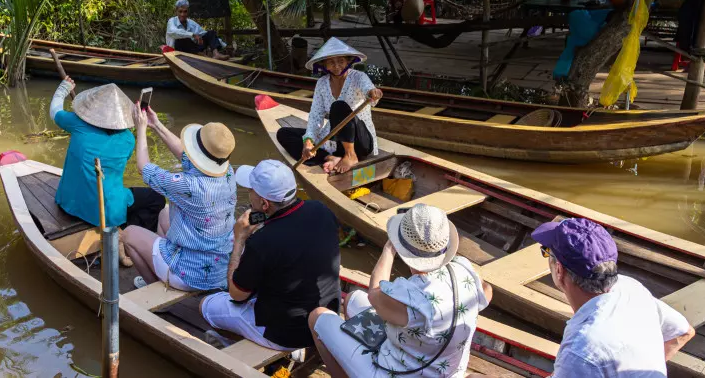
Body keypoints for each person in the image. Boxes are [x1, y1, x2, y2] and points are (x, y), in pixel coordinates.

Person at [308, 204, 493, 378]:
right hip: (446, 371)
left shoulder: (409, 293)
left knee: (317, 316)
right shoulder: (463, 268)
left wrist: (389, 249)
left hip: (395, 373)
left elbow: (374, 294)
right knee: (352, 299)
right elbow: (487, 291)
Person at [201, 159, 341, 351]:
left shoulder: (263, 242)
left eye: (251, 190)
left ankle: (237, 343)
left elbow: (236, 294)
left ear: (264, 203)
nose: (249, 194)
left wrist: (240, 239)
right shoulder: (321, 210)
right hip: (323, 319)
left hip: (286, 334)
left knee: (206, 305)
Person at [532, 218, 696, 377]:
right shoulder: (631, 288)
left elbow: (684, 333)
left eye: (547, 253)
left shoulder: (580, 350)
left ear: (559, 270)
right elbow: (683, 332)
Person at [49, 79, 166, 264]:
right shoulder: (128, 139)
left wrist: (63, 89)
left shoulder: (77, 124)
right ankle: (127, 234)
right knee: (156, 198)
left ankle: (121, 235)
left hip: (69, 203)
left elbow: (54, 111)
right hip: (108, 210)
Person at [122, 105, 237, 291]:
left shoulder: (189, 185)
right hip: (217, 268)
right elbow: (185, 155)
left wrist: (141, 128)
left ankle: (155, 286)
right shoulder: (227, 172)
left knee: (129, 234)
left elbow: (144, 168)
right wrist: (156, 125)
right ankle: (161, 270)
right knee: (163, 214)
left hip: (190, 274)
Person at [276, 38, 382, 174]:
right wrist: (308, 141)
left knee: (338, 107)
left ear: (348, 61)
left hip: (360, 143)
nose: (337, 66)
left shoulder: (358, 77)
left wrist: (373, 92)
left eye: (341, 61)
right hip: (334, 142)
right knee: (284, 133)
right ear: (324, 65)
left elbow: (369, 90)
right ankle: (331, 158)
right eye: (331, 62)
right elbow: (316, 115)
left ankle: (350, 156)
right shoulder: (322, 83)